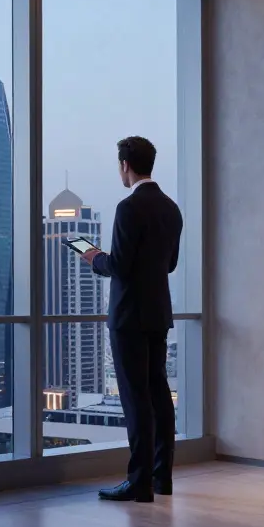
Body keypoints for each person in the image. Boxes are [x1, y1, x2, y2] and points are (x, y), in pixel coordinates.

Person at [80, 136, 183, 503]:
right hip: (158, 314)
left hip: (128, 318)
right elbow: (169, 264)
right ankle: (161, 479)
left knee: (135, 399)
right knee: (157, 395)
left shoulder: (128, 208)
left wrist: (93, 257)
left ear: (125, 164)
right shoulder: (171, 209)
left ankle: (138, 482)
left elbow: (119, 266)